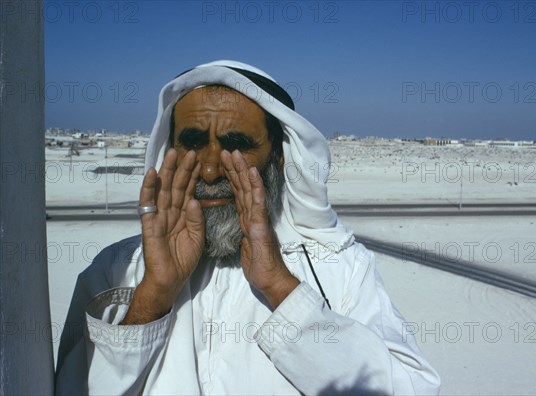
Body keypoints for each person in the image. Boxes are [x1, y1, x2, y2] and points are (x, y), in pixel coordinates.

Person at [55, 60, 440, 395]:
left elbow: (412, 388)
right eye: (191, 143)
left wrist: (281, 289)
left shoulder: (340, 267)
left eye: (235, 146)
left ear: (279, 154)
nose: (209, 169)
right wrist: (153, 297)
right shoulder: (116, 269)